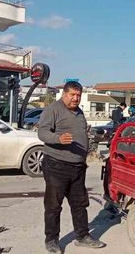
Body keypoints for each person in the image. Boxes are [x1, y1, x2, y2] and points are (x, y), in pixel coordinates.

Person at [37, 81, 105, 252]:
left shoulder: (79, 112)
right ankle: (51, 240)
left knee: (79, 204)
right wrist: (58, 139)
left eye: (78, 95)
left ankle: (82, 236)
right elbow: (42, 132)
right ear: (64, 94)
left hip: (77, 167)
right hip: (56, 165)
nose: (76, 98)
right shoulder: (53, 109)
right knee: (53, 205)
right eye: (72, 95)